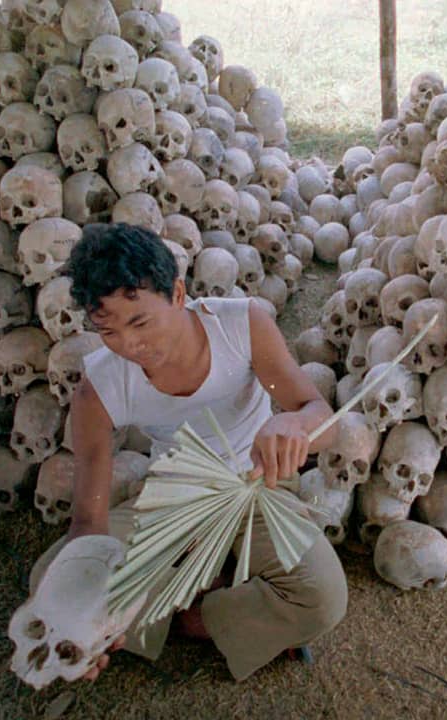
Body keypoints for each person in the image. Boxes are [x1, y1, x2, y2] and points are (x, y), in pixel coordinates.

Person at [28, 222, 347, 682]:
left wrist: (294, 424)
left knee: (323, 597)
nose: (130, 344)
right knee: (49, 583)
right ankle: (185, 608)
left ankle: (193, 617)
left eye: (140, 322)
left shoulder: (242, 326)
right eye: (108, 331)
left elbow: (320, 416)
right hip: (172, 496)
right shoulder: (98, 389)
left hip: (255, 485)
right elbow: (88, 524)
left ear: (178, 294)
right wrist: (87, 598)